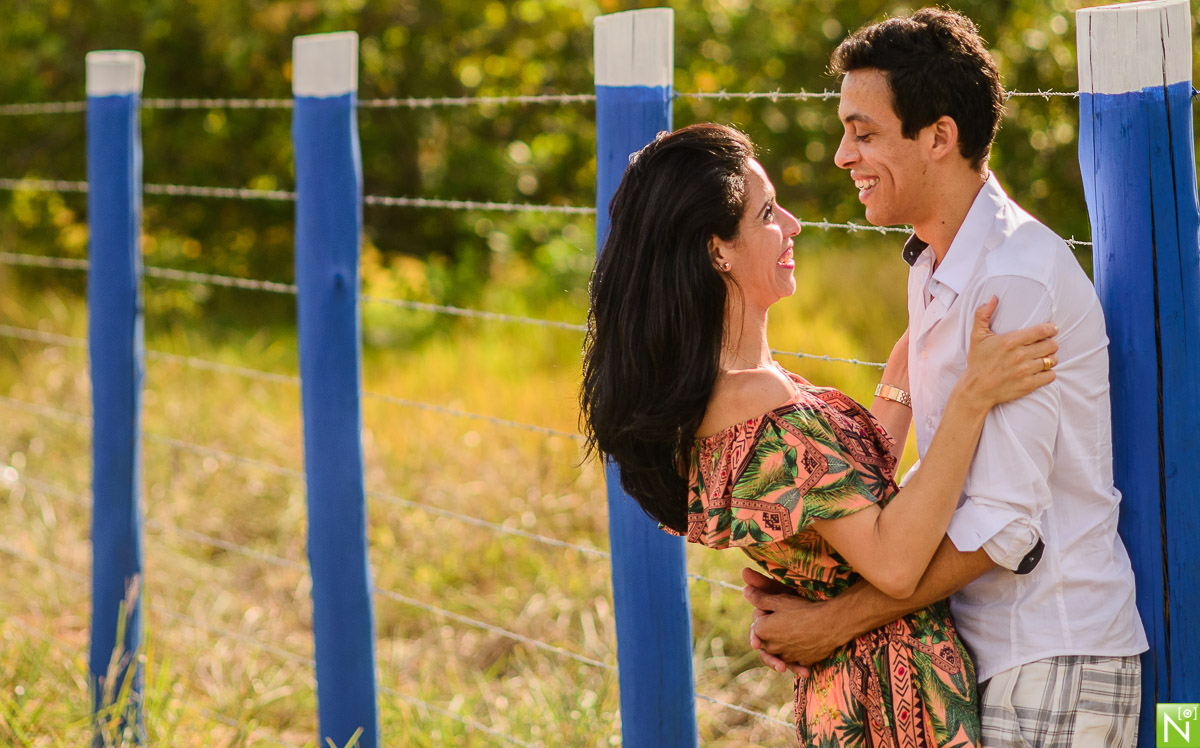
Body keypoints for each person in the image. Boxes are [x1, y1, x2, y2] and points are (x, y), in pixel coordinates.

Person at [580, 122, 1059, 747]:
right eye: (766, 214)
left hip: (842, 690)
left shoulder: (726, 393)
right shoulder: (760, 403)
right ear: (716, 251)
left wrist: (902, 374)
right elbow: (892, 561)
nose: (793, 224)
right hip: (895, 696)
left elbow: (843, 501)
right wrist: (971, 399)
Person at [743, 9, 1149, 747]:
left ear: (938, 137)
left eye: (864, 133)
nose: (841, 156)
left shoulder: (1014, 279)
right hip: (987, 658)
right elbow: (946, 481)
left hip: (1051, 655)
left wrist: (835, 622)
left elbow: (1006, 530)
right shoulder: (934, 264)